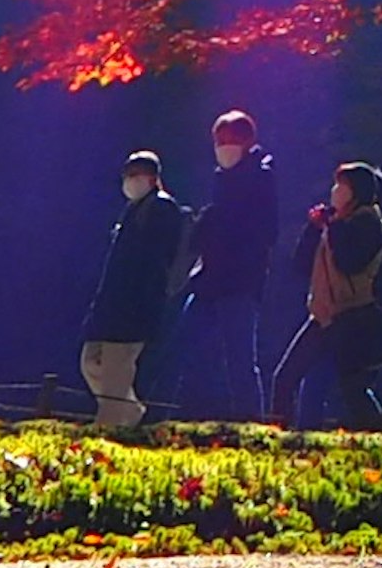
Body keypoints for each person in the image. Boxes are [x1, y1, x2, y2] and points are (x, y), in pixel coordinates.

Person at [170, 107, 283, 416]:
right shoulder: (223, 179)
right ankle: (190, 414)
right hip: (210, 279)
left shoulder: (259, 178)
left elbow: (266, 231)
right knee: (190, 346)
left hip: (240, 282)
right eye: (217, 141)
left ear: (247, 141)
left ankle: (251, 423)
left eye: (228, 139)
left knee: (240, 359)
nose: (222, 147)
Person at [272, 158, 382, 431]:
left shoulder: (370, 225)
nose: (335, 191)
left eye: (342, 186)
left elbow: (350, 262)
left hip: (351, 317)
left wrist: (334, 227)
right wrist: (314, 229)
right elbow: (302, 264)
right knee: (288, 378)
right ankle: (285, 437)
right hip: (323, 314)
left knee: (352, 389)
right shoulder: (336, 224)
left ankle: (380, 434)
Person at [79, 147, 190, 423]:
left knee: (116, 373)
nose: (129, 180)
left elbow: (154, 262)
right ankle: (129, 413)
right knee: (90, 361)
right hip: (113, 305)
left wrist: (144, 299)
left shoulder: (162, 209)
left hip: (134, 307)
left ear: (152, 178)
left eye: (135, 174)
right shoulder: (134, 210)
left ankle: (111, 428)